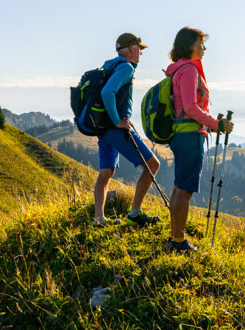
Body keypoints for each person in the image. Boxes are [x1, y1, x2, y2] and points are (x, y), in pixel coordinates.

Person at [164, 27, 234, 254]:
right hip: (190, 136)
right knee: (184, 191)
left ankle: (175, 238)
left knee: (178, 188)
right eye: (200, 43)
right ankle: (178, 242)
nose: (203, 49)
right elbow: (190, 107)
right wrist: (217, 124)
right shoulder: (189, 70)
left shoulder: (176, 70)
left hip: (180, 134)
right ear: (189, 45)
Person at [92, 33, 162, 227]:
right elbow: (107, 92)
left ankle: (99, 219)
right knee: (152, 165)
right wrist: (117, 121)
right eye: (140, 48)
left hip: (102, 127)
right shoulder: (126, 68)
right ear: (131, 48)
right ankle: (135, 213)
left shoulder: (110, 65)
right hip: (115, 128)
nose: (141, 53)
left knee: (106, 171)